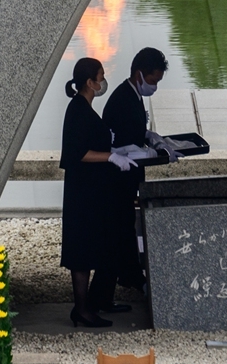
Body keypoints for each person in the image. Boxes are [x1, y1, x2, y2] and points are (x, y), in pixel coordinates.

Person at [59, 57, 139, 328]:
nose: (104, 81)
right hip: (81, 194)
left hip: (92, 192)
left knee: (92, 246)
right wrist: (110, 157)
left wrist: (117, 149)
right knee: (80, 251)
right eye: (100, 77)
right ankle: (81, 310)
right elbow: (77, 153)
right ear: (89, 82)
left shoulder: (86, 108)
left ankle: (91, 304)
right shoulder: (77, 109)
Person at [96, 47, 170, 310]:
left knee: (126, 227)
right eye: (153, 81)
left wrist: (150, 137)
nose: (154, 87)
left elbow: (135, 133)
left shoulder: (133, 94)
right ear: (140, 74)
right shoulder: (123, 99)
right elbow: (122, 145)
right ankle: (109, 291)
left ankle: (131, 277)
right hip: (117, 179)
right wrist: (154, 152)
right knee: (117, 232)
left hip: (127, 179)